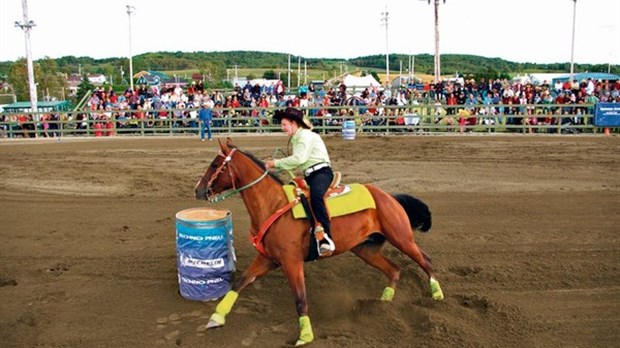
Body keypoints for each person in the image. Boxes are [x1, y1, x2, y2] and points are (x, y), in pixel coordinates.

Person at [265, 107, 335, 256]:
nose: (282, 128)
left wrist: (276, 163)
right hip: (311, 174)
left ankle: (326, 236)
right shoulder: (299, 137)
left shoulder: (304, 137)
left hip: (321, 173)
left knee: (316, 196)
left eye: (284, 124)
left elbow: (299, 159)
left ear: (294, 123)